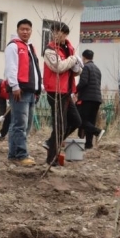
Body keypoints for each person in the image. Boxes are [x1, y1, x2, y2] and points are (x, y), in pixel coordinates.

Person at [43, 22, 82, 167]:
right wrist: (73, 59)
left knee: (76, 121)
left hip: (67, 90)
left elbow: (76, 70)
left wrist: (77, 67)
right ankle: (51, 158)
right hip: (55, 91)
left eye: (61, 32)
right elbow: (58, 67)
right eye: (55, 31)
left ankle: (51, 142)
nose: (57, 35)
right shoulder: (49, 50)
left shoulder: (69, 48)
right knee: (60, 125)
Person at [4, 19, 41, 166]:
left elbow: (35, 70)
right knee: (20, 124)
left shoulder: (29, 48)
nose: (25, 32)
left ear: (31, 31)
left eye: (28, 29)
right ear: (17, 30)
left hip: (30, 91)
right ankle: (21, 155)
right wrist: (14, 86)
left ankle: (14, 154)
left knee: (25, 124)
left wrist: (38, 88)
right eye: (22, 29)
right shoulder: (13, 46)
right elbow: (11, 67)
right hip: (20, 90)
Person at [76, 49, 105, 149]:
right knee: (91, 121)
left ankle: (98, 131)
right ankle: (88, 144)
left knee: (81, 120)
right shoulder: (97, 69)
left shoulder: (86, 67)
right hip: (97, 99)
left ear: (83, 57)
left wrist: (75, 90)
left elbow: (83, 82)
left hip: (87, 98)